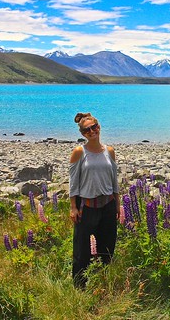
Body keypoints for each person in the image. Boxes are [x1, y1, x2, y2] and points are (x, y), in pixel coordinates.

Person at [69, 112, 120, 288]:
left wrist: (118, 206)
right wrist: (73, 207)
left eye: (94, 127)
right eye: (87, 130)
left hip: (108, 205)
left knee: (107, 248)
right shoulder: (79, 152)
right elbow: (73, 183)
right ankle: (80, 286)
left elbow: (114, 181)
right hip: (87, 207)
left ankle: (103, 282)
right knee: (82, 250)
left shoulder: (110, 151)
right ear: (83, 133)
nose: (92, 131)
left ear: (99, 126)